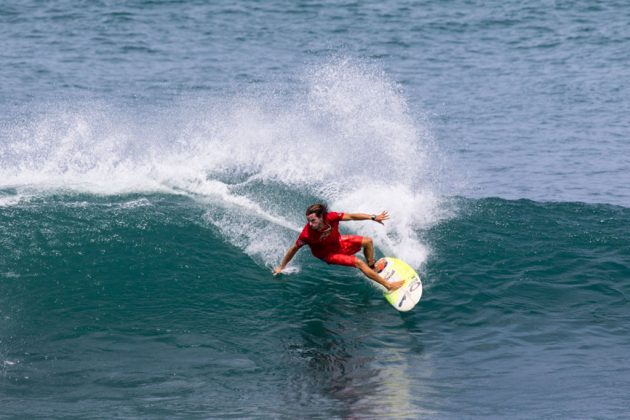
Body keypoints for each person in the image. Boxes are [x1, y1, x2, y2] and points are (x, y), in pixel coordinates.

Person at [273, 203, 404, 291]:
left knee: (368, 241)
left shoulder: (332, 217)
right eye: (308, 221)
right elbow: (293, 249)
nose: (310, 224)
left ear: (322, 217)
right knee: (358, 262)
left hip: (339, 242)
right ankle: (389, 286)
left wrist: (373, 217)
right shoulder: (307, 235)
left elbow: (352, 216)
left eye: (313, 220)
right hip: (328, 255)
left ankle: (372, 267)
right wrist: (281, 267)